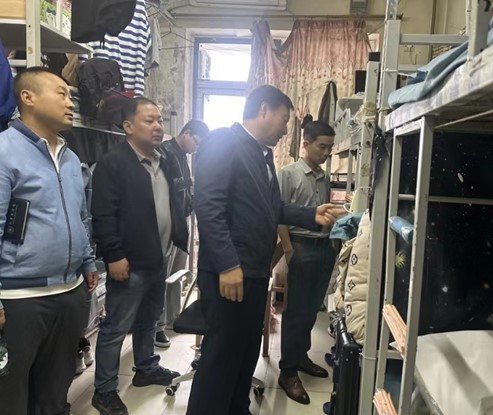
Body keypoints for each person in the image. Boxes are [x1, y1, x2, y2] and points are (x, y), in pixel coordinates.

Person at [186, 85, 344, 415]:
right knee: (221, 356)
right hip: (230, 273)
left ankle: (236, 409)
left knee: (245, 351)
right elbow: (208, 207)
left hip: (255, 272)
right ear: (263, 110)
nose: (286, 129)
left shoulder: (262, 155)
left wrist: (310, 215)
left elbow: (273, 208)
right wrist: (227, 265)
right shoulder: (224, 141)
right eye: (284, 119)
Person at [0, 67, 98, 415]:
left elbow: (81, 216)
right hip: (19, 297)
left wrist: (87, 261)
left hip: (70, 291)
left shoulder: (70, 157)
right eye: (61, 93)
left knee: (55, 390)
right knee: (11, 394)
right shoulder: (5, 151)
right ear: (28, 97)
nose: (70, 103)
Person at [91, 97, 188, 415]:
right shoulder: (113, 163)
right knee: (115, 327)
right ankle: (104, 391)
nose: (158, 126)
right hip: (129, 262)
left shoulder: (165, 160)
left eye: (160, 120)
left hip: (159, 256)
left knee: (150, 319)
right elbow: (103, 214)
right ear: (128, 126)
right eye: (149, 120)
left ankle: (146, 367)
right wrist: (114, 256)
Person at [277, 118, 337, 404]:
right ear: (306, 143)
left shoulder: (325, 177)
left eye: (330, 148)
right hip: (300, 247)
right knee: (296, 312)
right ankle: (287, 372)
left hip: (324, 248)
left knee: (312, 309)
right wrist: (289, 250)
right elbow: (278, 215)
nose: (326, 153)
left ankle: (300, 356)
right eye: (322, 147)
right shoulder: (288, 175)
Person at [154, 119, 209, 348]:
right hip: (169, 222)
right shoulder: (165, 153)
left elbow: (184, 189)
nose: (196, 148)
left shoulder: (182, 156)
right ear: (186, 132)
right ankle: (157, 327)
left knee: (175, 274)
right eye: (196, 141)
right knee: (162, 277)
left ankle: (171, 318)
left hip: (180, 221)